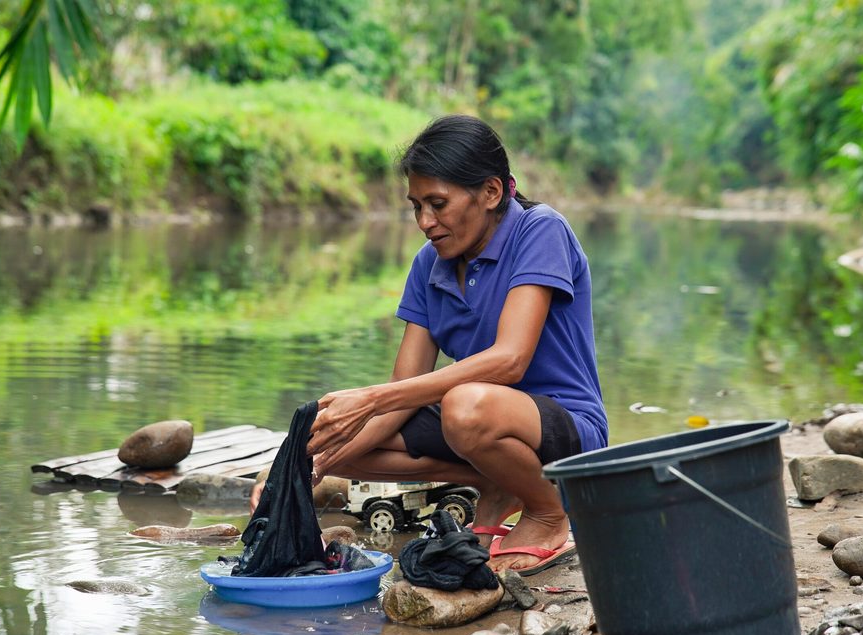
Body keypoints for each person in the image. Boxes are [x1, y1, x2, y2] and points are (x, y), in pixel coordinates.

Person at [251, 114, 608, 575]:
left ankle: (547, 511)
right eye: (416, 205)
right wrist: (305, 467)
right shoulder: (429, 265)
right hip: (481, 424)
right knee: (336, 436)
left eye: (438, 203)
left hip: (564, 427)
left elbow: (510, 361)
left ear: (492, 192)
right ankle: (502, 482)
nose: (425, 221)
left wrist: (370, 399)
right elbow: (406, 386)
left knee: (461, 406)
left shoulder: (540, 230)